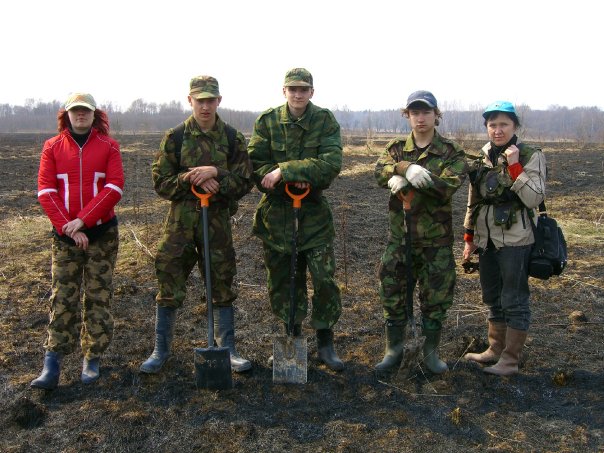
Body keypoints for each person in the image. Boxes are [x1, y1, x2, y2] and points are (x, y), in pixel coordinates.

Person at [141, 75, 253, 374]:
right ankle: (161, 350)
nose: (205, 106)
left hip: (216, 224)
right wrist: (188, 178)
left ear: (219, 101)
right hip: (180, 226)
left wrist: (217, 174)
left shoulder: (232, 138)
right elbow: (160, 183)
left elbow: (245, 181)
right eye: (199, 100)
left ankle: (227, 350)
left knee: (221, 282)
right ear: (190, 100)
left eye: (210, 100)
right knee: (168, 280)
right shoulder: (175, 137)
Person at [247, 68, 344, 371]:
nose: (298, 94)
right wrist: (286, 177)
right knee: (284, 282)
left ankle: (326, 342)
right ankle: (292, 337)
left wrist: (287, 171)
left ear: (311, 92)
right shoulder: (267, 122)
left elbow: (331, 164)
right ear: (284, 91)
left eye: (304, 89)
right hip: (277, 216)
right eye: (293, 89)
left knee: (324, 279)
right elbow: (256, 165)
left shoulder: (324, 120)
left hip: (313, 215)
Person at [32, 93, 124, 389]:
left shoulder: (109, 146)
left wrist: (83, 221)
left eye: (85, 110)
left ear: (94, 114)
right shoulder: (52, 147)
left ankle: (92, 358)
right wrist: (69, 228)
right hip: (65, 238)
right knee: (62, 297)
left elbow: (114, 187)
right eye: (75, 110)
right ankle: (52, 363)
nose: (80, 114)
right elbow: (46, 191)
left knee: (98, 296)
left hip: (102, 235)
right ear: (67, 114)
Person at [374, 90, 468, 377]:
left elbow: (448, 185)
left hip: (435, 242)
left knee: (436, 298)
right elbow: (379, 171)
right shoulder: (396, 148)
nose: (420, 118)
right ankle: (394, 350)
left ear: (436, 115)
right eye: (414, 112)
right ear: (407, 116)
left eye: (426, 112)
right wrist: (403, 167)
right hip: (400, 239)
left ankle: (430, 352)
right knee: (392, 293)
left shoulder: (451, 151)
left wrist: (413, 179)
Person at [463, 101, 546, 376]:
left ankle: (510, 360)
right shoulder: (483, 155)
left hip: (516, 240)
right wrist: (469, 236)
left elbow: (534, 198)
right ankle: (495, 349)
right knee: (492, 296)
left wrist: (514, 167)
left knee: (514, 299)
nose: (497, 130)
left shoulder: (530, 155)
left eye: (503, 125)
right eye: (492, 125)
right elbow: (474, 198)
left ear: (515, 126)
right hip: (487, 240)